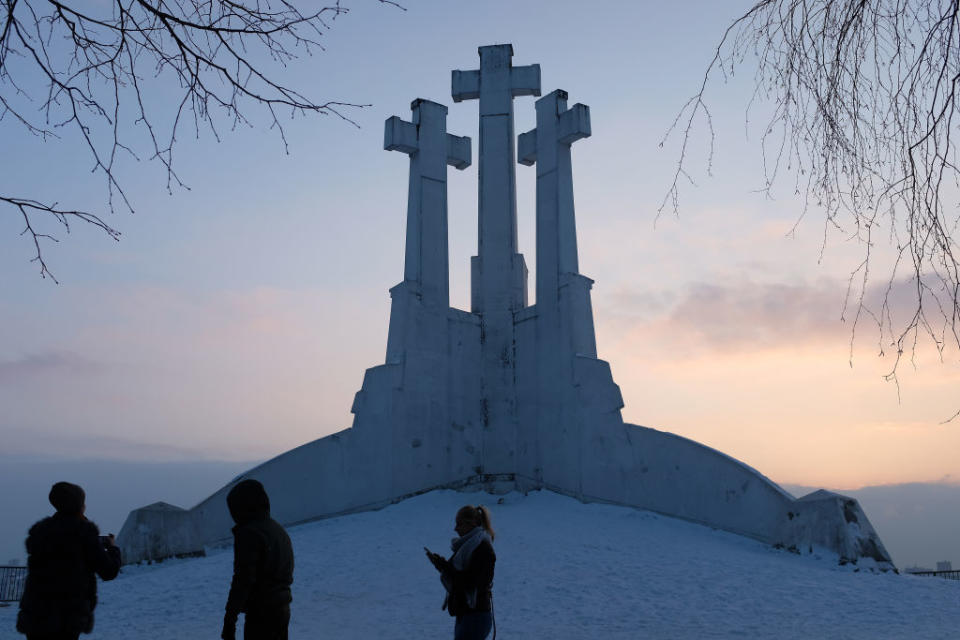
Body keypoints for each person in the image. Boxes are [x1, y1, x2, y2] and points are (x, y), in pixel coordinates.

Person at [16, 481, 122, 640]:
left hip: (36, 614)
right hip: (67, 618)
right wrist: (113, 548)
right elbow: (108, 571)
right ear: (78, 505)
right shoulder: (84, 533)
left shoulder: (41, 533)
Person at [221, 479, 294, 640]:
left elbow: (243, 579)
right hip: (282, 609)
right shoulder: (276, 529)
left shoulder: (249, 533)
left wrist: (229, 620)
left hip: (262, 614)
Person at [426, 504, 496, 640]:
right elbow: (460, 576)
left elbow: (471, 582)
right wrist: (441, 564)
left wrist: (445, 567)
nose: (455, 528)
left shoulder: (482, 548)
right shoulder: (468, 545)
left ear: (473, 524)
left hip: (475, 616)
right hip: (466, 613)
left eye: (460, 524)